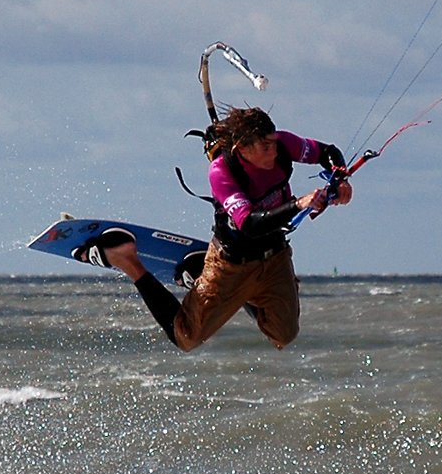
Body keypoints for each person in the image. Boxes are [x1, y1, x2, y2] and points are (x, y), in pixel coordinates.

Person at [77, 106, 351, 351]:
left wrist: (339, 179)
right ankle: (127, 260)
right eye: (266, 146)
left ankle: (196, 273)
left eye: (273, 142)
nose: (274, 150)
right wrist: (298, 204)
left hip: (275, 256)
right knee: (186, 337)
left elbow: (326, 152)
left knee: (283, 335)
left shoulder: (281, 144)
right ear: (243, 148)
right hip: (232, 266)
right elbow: (249, 224)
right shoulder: (222, 172)